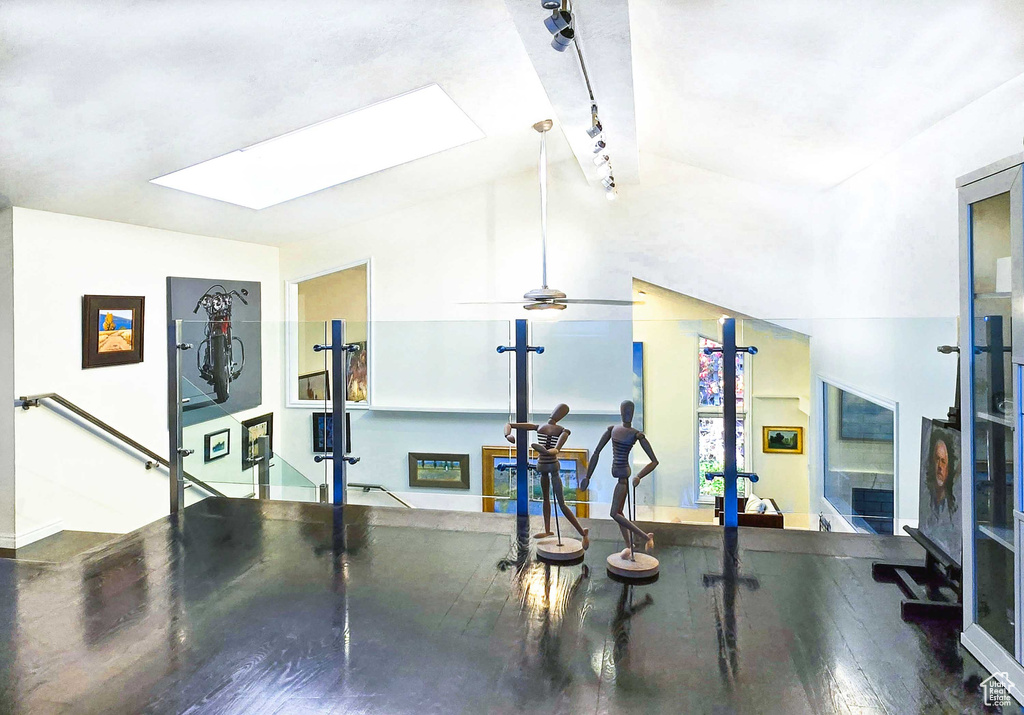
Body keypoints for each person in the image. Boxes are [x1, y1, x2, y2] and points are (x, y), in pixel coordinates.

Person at [505, 403, 589, 549]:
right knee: (545, 499)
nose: (555, 414)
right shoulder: (540, 427)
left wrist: (546, 451)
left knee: (561, 503)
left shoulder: (563, 431)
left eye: (559, 412)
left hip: (552, 465)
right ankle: (548, 530)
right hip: (542, 465)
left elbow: (556, 449)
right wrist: (508, 434)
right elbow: (510, 424)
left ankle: (582, 532)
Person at [581, 400, 658, 559]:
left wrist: (639, 476)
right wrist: (587, 476)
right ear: (621, 412)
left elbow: (654, 461)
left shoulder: (636, 434)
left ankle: (645, 537)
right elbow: (596, 452)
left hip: (624, 478)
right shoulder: (612, 430)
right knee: (620, 512)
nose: (627, 414)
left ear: (632, 413)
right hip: (619, 477)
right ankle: (630, 546)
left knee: (614, 514)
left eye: (629, 412)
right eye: (625, 411)